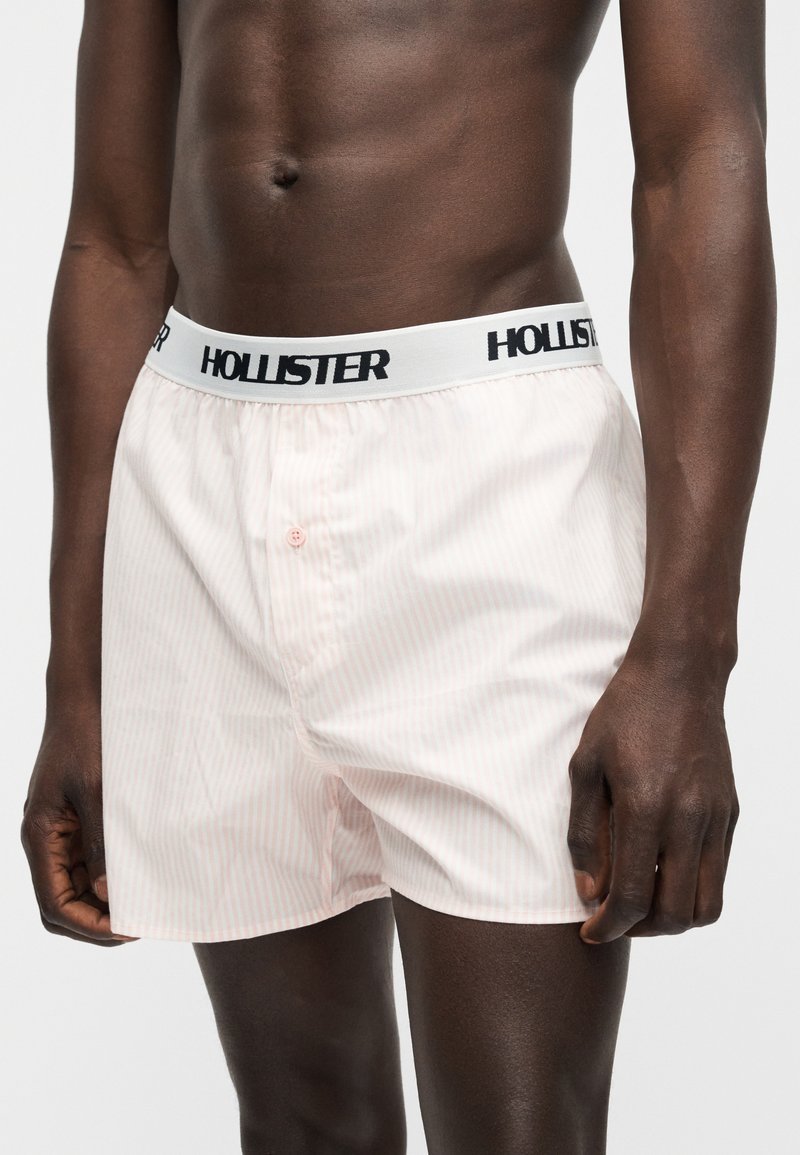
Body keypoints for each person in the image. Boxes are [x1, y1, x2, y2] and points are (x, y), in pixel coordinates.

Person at [20, 2, 775, 1152]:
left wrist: (687, 655)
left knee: (520, 1131)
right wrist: (77, 676)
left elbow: (698, 166)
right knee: (298, 1123)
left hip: (492, 475)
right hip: (197, 462)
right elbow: (113, 242)